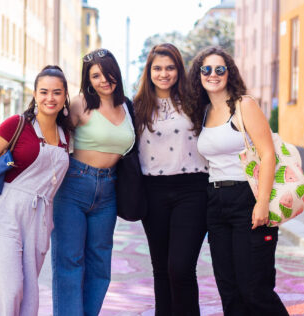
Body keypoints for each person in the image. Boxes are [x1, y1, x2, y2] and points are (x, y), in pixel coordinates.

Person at [192, 46, 289, 315]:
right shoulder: (202, 112)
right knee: (229, 289)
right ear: (199, 74)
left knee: (254, 289)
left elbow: (268, 154)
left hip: (247, 198)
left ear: (229, 72)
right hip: (216, 203)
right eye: (207, 69)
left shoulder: (243, 105)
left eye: (219, 69)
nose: (213, 74)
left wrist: (262, 203)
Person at [0, 65, 73, 315]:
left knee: (29, 292)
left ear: (65, 96)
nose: (50, 98)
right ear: (35, 94)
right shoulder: (17, 124)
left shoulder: (66, 134)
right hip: (6, 211)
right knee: (9, 288)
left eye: (57, 93)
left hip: (40, 217)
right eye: (44, 92)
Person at [51, 48, 135, 316]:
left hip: (109, 190)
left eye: (107, 73)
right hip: (74, 185)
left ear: (116, 74)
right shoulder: (79, 104)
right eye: (95, 75)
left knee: (100, 264)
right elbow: (54, 138)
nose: (103, 80)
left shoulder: (128, 107)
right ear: (88, 78)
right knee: (70, 262)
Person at [133, 43, 209, 316]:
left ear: (179, 69)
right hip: (153, 191)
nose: (164, 73)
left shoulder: (196, 102)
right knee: (161, 269)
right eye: (157, 68)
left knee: (181, 267)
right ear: (149, 71)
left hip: (193, 189)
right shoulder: (137, 106)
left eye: (170, 67)